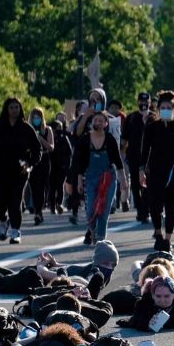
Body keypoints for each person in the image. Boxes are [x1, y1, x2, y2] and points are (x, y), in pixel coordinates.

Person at [139, 90, 174, 251]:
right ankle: (158, 233)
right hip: (155, 171)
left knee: (171, 204)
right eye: (162, 107)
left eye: (168, 107)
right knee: (155, 204)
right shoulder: (151, 127)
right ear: (157, 108)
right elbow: (145, 151)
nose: (165, 110)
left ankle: (167, 239)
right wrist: (141, 170)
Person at [0, 97, 42, 245]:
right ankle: (3, 221)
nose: (14, 110)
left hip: (20, 171)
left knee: (15, 201)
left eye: (17, 107)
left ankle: (15, 231)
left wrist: (29, 164)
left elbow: (37, 149)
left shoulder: (26, 128)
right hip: (1, 170)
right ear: (6, 109)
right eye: (11, 107)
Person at [71, 104, 125, 245]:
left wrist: (123, 181)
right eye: (95, 120)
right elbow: (80, 163)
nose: (97, 122)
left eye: (101, 120)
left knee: (104, 210)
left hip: (108, 178)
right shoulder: (84, 140)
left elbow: (118, 162)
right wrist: (78, 181)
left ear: (106, 124)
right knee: (90, 211)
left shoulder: (110, 139)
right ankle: (93, 231)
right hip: (91, 178)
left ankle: (101, 238)